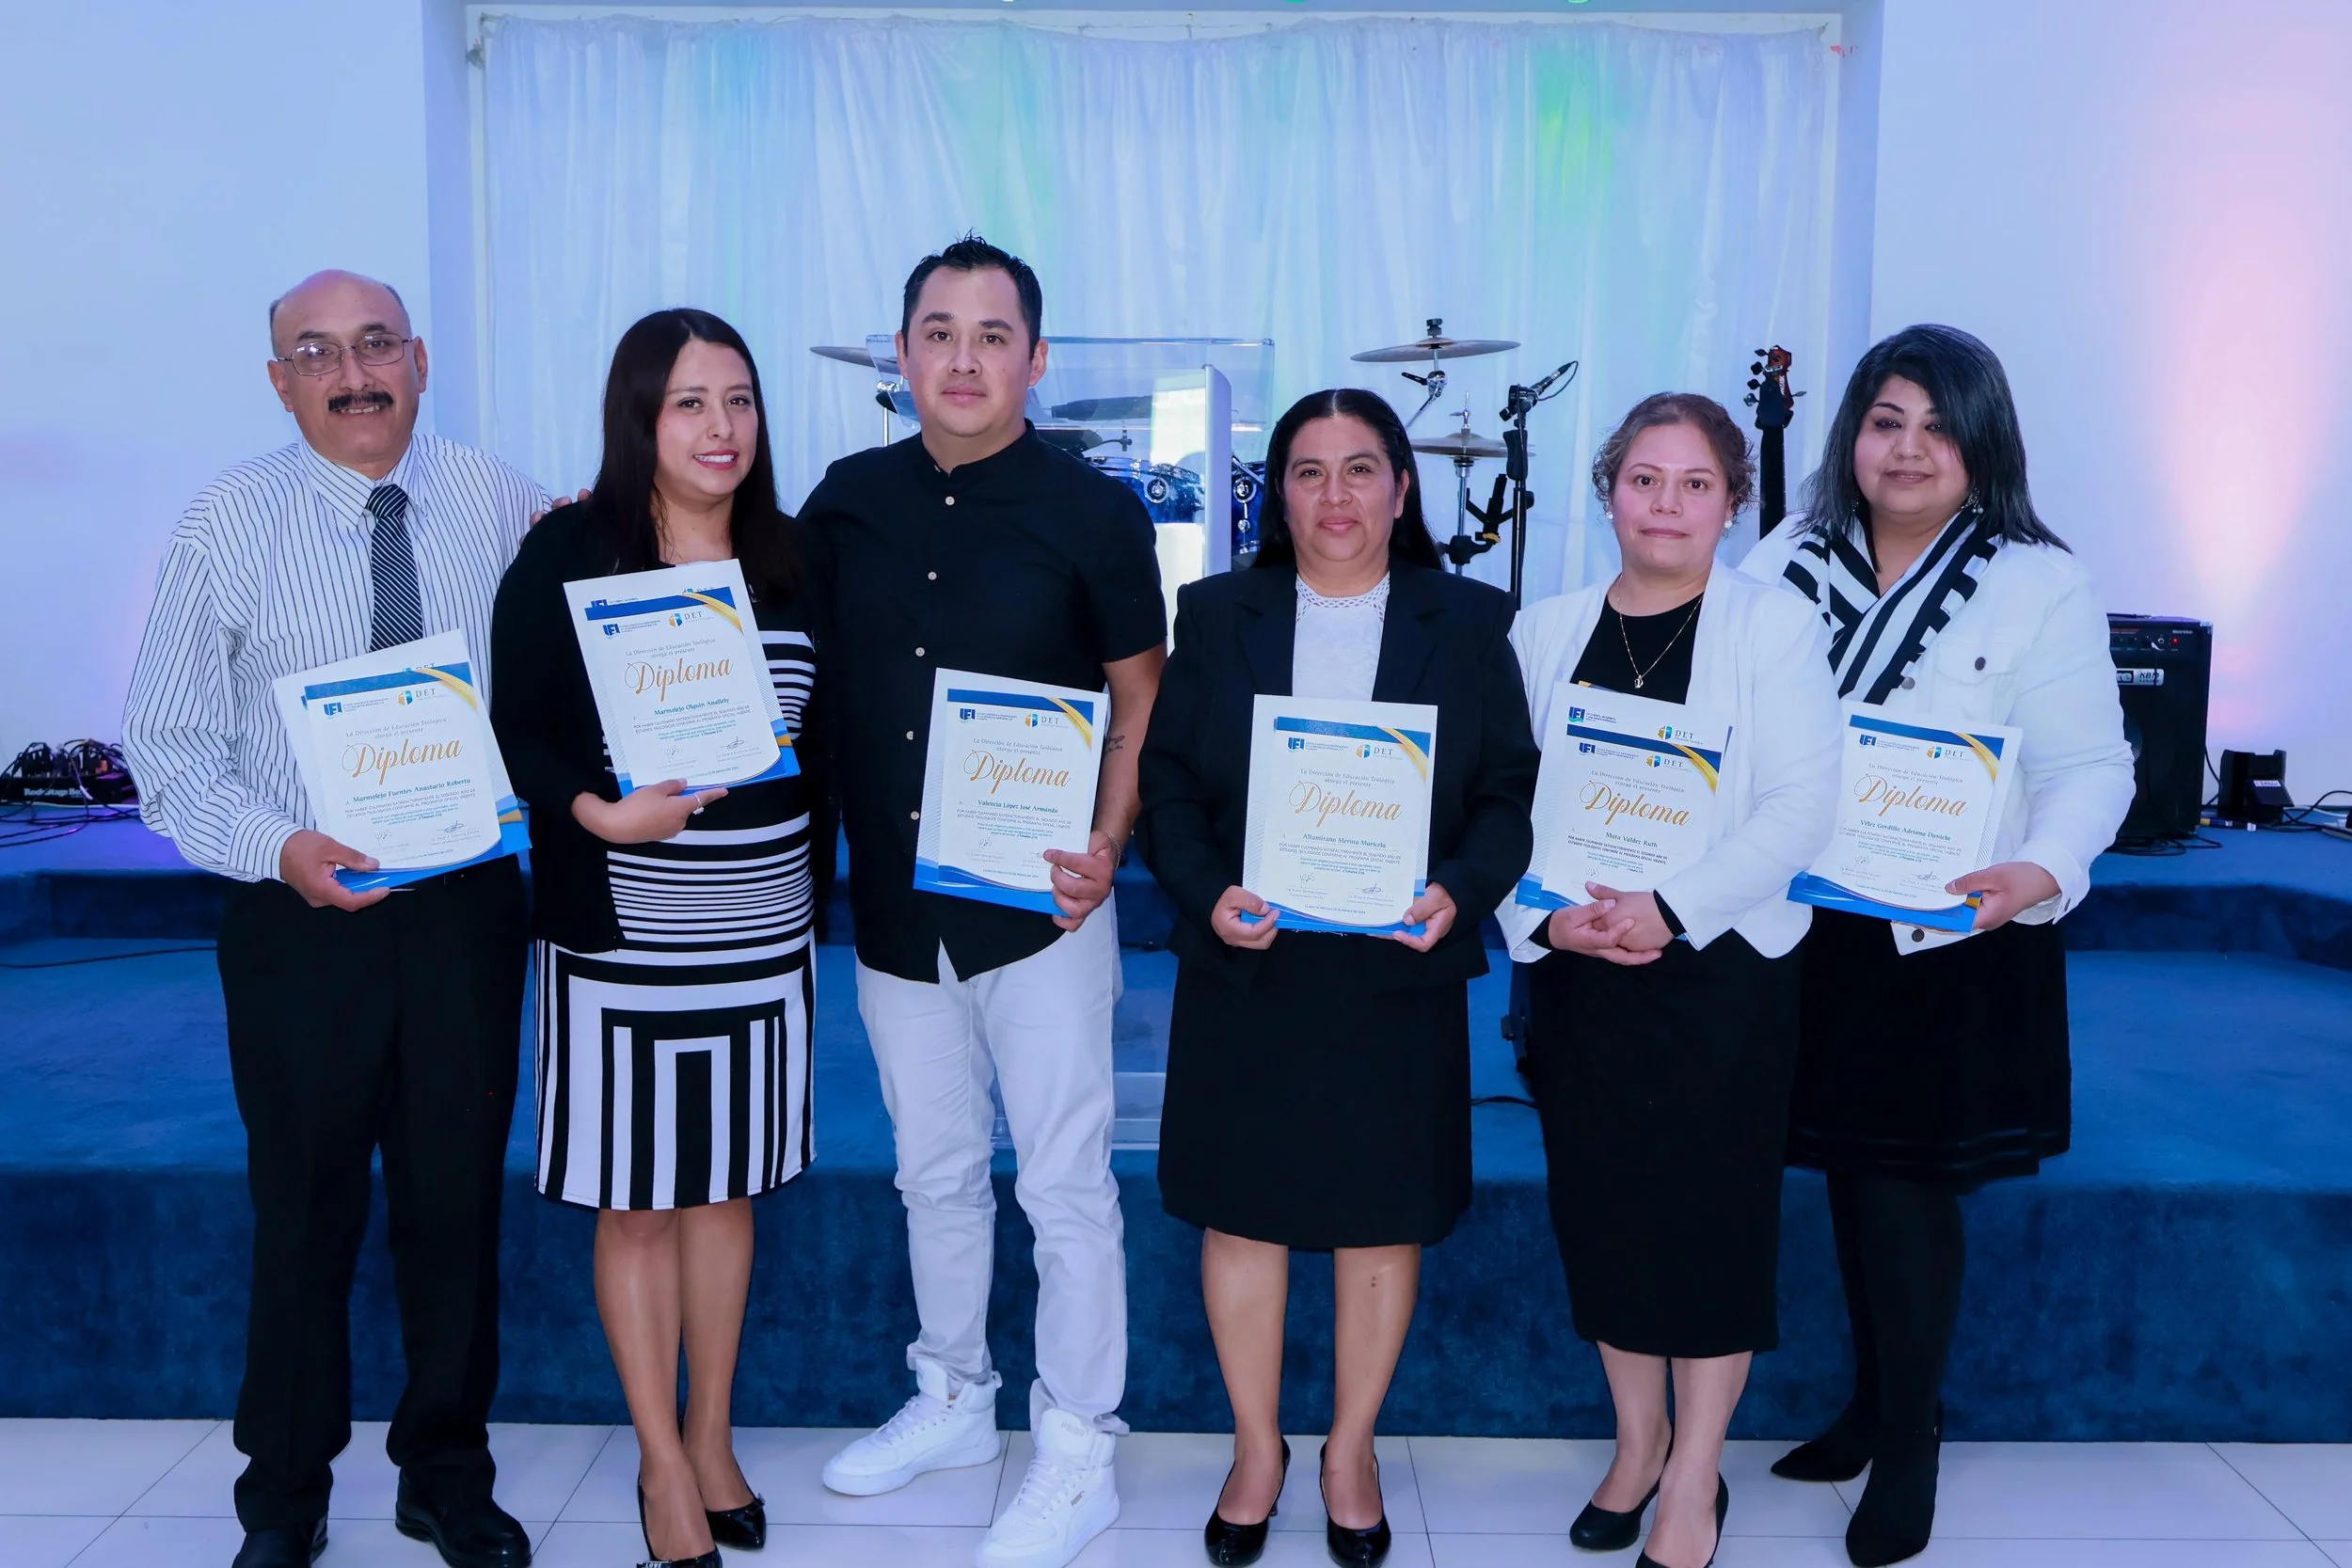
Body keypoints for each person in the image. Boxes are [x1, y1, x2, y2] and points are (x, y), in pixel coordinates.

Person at [120, 272, 546, 1568]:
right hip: (300, 917)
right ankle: (285, 1493)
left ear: (419, 359)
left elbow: (570, 662)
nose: (352, 373)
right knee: (301, 1206)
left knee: (453, 1201)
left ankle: (445, 1471)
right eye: (317, 353)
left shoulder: (502, 500)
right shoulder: (225, 522)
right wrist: (283, 846)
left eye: (375, 346)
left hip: (467, 908)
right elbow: (169, 748)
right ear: (279, 379)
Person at [797, 235, 1166, 1568]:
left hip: (1044, 911)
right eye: (937, 332)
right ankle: (953, 1393)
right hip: (895, 906)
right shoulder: (841, 504)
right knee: (934, 1171)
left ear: (1036, 357)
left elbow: (1140, 693)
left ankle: (1080, 1446)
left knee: (1066, 1185)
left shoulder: (1092, 510)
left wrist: (1108, 840)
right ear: (899, 355)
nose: (962, 356)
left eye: (991, 333)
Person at [1740, 325, 2135, 1567]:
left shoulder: (2038, 581)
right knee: (1850, 1178)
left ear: (1982, 444)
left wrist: (2039, 870)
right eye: (1885, 419)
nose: (1906, 448)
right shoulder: (1782, 559)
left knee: (1904, 1190)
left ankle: (1909, 1433)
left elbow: (2090, 766)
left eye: (1935, 424)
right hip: (1807, 924)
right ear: (1851, 434)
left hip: (1952, 928)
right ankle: (1871, 1400)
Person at [1136, 388, 1539, 1568]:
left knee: (1378, 1222)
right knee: (1244, 1215)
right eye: (1307, 472)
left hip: (1391, 971)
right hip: (1248, 963)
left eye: (1361, 468)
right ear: (1276, 494)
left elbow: (1507, 795)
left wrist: (1457, 889)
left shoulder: (1467, 620)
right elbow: (1167, 788)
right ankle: (1257, 1447)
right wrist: (1208, 890)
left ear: (1402, 489)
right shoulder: (1216, 613)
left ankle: (1349, 1447)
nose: (1336, 496)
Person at [490, 309, 819, 1568]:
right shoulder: (570, 550)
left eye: (738, 399)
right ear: (641, 416)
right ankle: (661, 1461)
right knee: (636, 1200)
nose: (720, 427)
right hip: (620, 937)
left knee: (725, 1190)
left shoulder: (792, 559)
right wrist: (591, 810)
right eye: (689, 402)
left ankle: (715, 1427)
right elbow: (520, 721)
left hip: (762, 935)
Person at [1499, 394, 1842, 1568]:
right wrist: (1549, 923)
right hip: (1584, 972)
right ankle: (1635, 1440)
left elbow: (1802, 804)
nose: (1666, 504)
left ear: (1733, 503)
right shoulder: (1542, 631)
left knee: (1709, 1225)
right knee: (1603, 1218)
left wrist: (1669, 908)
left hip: (1723, 976)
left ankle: (1694, 1476)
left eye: (1695, 484)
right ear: (1608, 493)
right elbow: (1504, 807)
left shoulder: (1774, 629)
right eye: (1644, 479)